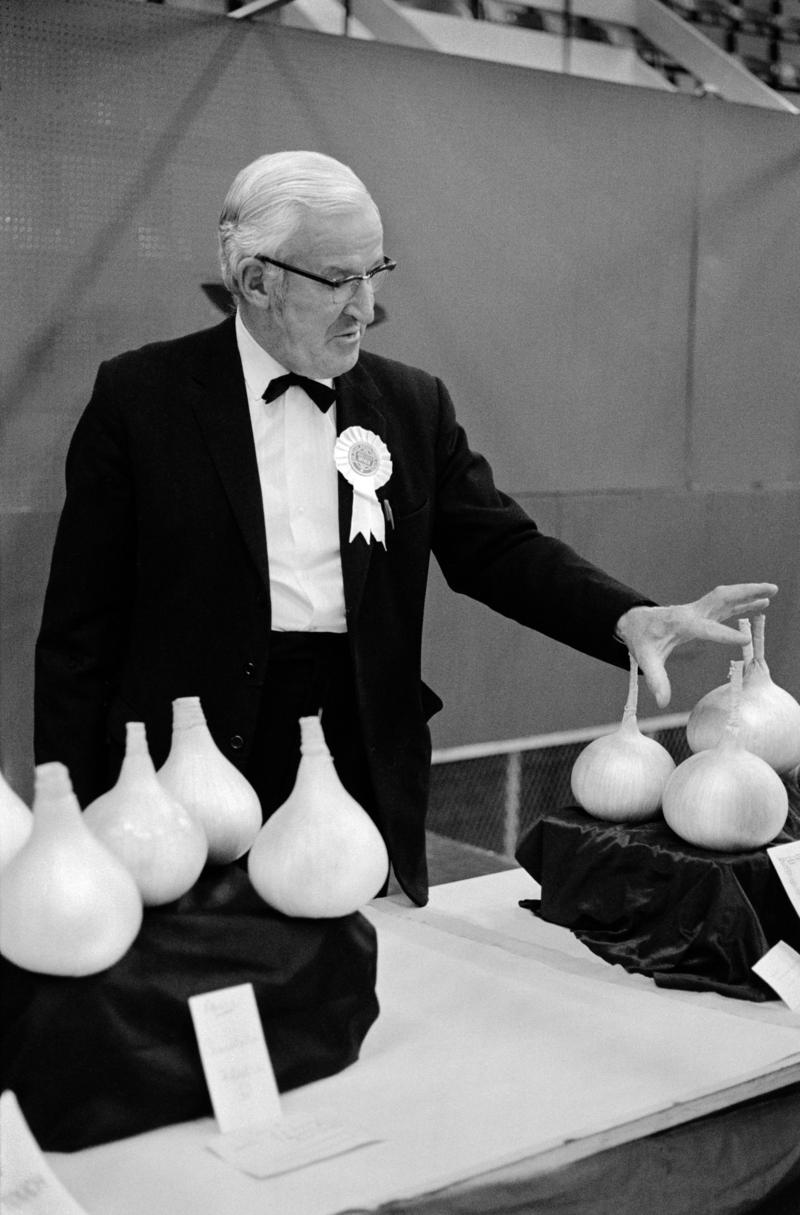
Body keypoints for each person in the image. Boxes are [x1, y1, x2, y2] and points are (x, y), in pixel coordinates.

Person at [34, 150, 776, 905]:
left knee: (342, 979)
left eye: (375, 271)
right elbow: (78, 637)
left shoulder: (411, 405)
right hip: (189, 755)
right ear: (256, 282)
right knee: (191, 982)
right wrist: (75, 818)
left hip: (356, 743)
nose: (365, 306)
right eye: (338, 280)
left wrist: (628, 616)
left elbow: (501, 549)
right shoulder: (140, 399)